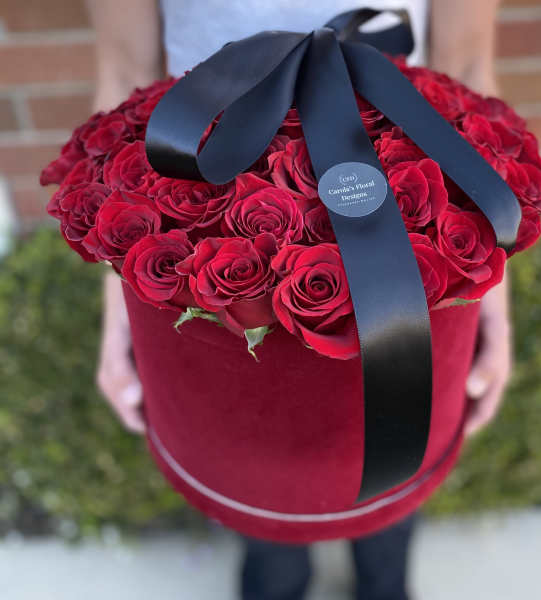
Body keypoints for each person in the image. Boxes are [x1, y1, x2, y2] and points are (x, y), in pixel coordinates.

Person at [90, 1, 512, 599]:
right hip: (213, 168)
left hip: (397, 179)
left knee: (393, 482)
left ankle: (384, 582)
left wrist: (491, 288)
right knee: (262, 492)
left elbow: (468, 67)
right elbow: (123, 75)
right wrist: (121, 303)